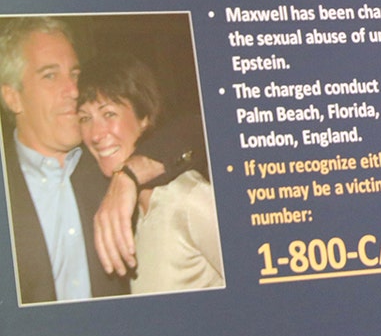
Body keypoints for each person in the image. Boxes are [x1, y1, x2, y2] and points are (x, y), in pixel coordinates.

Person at [0, 17, 196, 303]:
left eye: (75, 74)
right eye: (50, 76)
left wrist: (130, 173)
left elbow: (194, 128)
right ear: (12, 97)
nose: (74, 90)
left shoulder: (107, 161)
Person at [77, 53, 223, 294]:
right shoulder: (120, 206)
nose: (95, 134)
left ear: (144, 116)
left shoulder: (188, 198)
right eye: (85, 118)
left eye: (109, 114)